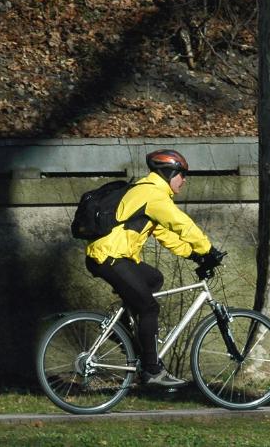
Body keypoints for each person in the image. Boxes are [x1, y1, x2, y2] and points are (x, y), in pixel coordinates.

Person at [84, 149, 220, 388]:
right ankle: (151, 369)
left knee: (154, 279)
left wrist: (195, 255)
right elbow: (181, 224)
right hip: (109, 257)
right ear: (169, 173)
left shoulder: (148, 193)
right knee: (149, 307)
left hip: (114, 256)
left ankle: (130, 332)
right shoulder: (153, 194)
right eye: (182, 174)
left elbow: (166, 235)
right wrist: (208, 249)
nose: (185, 180)